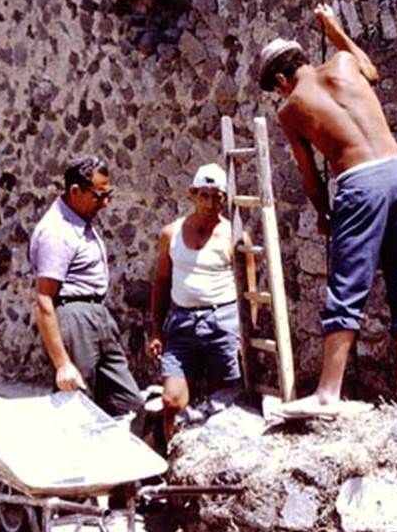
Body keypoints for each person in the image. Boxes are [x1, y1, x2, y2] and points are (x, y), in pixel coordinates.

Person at [257, 3, 397, 415]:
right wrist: (334, 29)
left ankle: (328, 392)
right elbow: (372, 70)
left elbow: (311, 175)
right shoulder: (346, 62)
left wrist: (323, 212)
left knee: (347, 286)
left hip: (360, 183)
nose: (280, 93)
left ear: (281, 79)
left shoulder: (290, 108)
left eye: (276, 87)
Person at [30, 155, 143, 421]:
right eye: (99, 195)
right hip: (73, 318)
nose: (105, 203)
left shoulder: (81, 222)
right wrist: (62, 364)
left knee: (128, 403)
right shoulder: (57, 232)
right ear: (75, 191)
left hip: (97, 315)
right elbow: (43, 300)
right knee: (76, 406)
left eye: (109, 193)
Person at [147, 163, 242, 442]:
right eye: (204, 195)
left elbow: (248, 289)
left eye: (218, 196)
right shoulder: (171, 234)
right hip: (182, 323)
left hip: (221, 322)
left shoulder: (235, 236)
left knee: (223, 404)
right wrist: (156, 330)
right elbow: (162, 282)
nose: (211, 203)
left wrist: (243, 336)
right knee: (172, 402)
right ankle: (168, 463)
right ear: (192, 194)